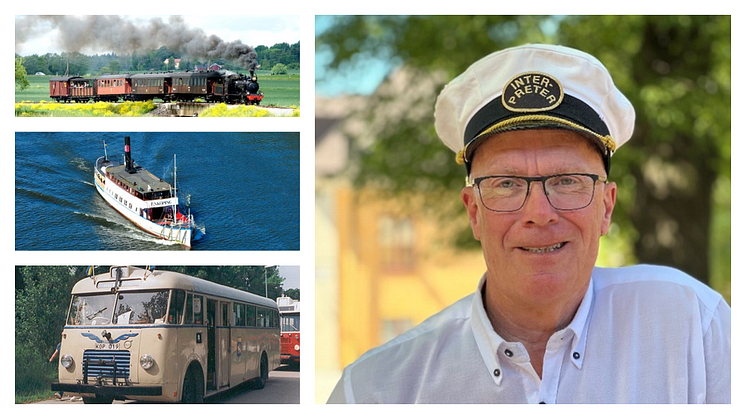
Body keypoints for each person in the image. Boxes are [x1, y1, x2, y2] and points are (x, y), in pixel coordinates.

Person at [327, 44, 731, 404]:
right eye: (506, 183)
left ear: (606, 207)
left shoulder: (695, 327)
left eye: (567, 181)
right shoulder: (377, 393)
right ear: (474, 212)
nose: (539, 212)